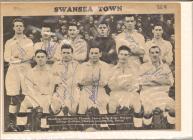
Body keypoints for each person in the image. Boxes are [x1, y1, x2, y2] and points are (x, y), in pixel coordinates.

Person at [4, 18, 34, 131]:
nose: (19, 28)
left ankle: (25, 124)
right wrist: (20, 60)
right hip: (13, 70)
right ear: (13, 28)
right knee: (13, 95)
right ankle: (12, 124)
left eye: (21, 26)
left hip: (26, 69)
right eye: (17, 26)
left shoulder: (29, 41)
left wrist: (17, 59)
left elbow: (30, 55)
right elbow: (6, 57)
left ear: (24, 27)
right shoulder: (9, 42)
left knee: (27, 95)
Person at [16, 50, 55, 131]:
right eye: (38, 57)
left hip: (46, 96)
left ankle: (44, 128)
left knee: (45, 106)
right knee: (23, 105)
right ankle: (20, 127)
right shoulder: (30, 71)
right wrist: (35, 100)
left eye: (42, 57)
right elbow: (29, 88)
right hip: (33, 96)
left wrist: (48, 98)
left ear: (46, 58)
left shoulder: (51, 71)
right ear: (35, 59)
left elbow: (51, 87)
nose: (40, 59)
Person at [139, 46, 175, 129]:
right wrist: (161, 80)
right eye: (152, 53)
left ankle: (170, 126)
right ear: (149, 54)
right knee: (147, 111)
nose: (154, 55)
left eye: (157, 52)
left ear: (160, 54)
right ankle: (147, 128)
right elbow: (141, 82)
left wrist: (152, 78)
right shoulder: (144, 66)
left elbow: (170, 82)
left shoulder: (165, 67)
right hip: (147, 94)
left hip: (162, 94)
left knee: (173, 108)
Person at [108, 45, 143, 129]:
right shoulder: (113, 69)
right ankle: (111, 128)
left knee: (137, 104)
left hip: (130, 92)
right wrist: (121, 86)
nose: (123, 57)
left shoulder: (134, 69)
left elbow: (137, 84)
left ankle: (138, 127)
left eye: (126, 55)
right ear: (118, 55)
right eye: (121, 54)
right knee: (112, 104)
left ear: (129, 56)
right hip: (117, 93)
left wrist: (130, 87)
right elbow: (111, 85)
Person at [77, 47, 111, 115]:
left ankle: (103, 124)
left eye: (96, 53)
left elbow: (104, 82)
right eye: (92, 53)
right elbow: (81, 81)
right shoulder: (83, 66)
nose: (94, 55)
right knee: (82, 107)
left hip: (100, 89)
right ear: (89, 54)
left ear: (100, 54)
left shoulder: (105, 65)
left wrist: (88, 79)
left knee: (102, 108)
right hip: (86, 89)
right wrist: (96, 79)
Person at [50, 43, 80, 116]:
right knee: (55, 108)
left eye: (68, 53)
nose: (66, 55)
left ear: (72, 53)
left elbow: (77, 78)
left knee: (72, 110)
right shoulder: (56, 65)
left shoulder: (76, 64)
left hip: (73, 88)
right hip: (60, 88)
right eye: (64, 53)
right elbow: (54, 78)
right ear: (61, 53)